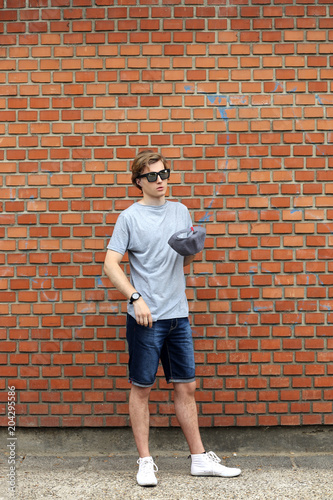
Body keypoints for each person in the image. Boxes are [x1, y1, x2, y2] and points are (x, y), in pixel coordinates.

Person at [103, 150, 241, 486]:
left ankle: (199, 459)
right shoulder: (129, 218)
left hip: (179, 314)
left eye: (165, 173)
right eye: (152, 176)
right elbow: (110, 264)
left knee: (187, 387)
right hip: (147, 319)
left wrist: (192, 250)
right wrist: (136, 298)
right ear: (139, 181)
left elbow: (183, 261)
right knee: (142, 388)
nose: (161, 180)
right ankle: (146, 462)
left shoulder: (181, 211)